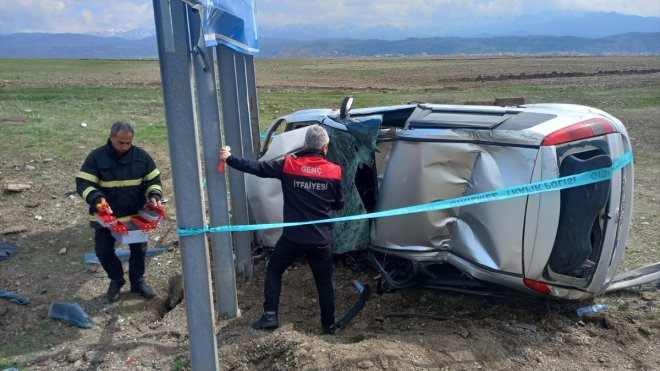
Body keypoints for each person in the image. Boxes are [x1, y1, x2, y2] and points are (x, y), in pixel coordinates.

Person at [219, 125, 344, 334]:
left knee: (275, 269)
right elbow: (339, 204)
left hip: (293, 238)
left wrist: (230, 159)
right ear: (325, 147)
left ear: (305, 145)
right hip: (321, 239)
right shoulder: (335, 171)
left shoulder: (289, 165)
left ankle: (270, 316)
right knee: (324, 282)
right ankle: (329, 326)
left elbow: (257, 168)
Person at [76, 121, 163, 302]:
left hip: (135, 217)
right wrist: (96, 198)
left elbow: (153, 180)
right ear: (111, 137)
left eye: (128, 143)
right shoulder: (96, 157)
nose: (124, 147)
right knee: (103, 252)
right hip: (107, 218)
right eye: (120, 143)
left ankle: (137, 282)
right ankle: (116, 279)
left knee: (138, 251)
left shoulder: (141, 157)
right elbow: (84, 183)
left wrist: (154, 194)